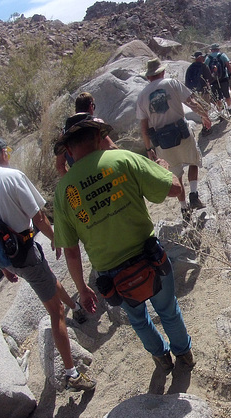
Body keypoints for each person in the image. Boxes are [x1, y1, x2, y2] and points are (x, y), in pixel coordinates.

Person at [53, 114, 195, 373]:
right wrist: (162, 169)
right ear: (98, 137)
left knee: (138, 319)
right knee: (168, 309)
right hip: (149, 257)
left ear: (70, 149)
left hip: (112, 275)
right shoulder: (123, 159)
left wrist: (82, 288)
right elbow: (174, 189)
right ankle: (184, 354)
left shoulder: (64, 191)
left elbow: (71, 252)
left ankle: (161, 359)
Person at [0, 138, 95, 391]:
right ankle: (72, 373)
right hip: (24, 252)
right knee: (55, 311)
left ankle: (76, 308)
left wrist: (2, 266)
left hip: (5, 256)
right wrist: (55, 238)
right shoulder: (11, 176)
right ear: (4, 152)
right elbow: (37, 215)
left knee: (46, 277)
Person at [137, 57, 213, 220]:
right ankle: (194, 195)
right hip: (182, 132)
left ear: (148, 77)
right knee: (193, 161)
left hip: (162, 142)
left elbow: (144, 128)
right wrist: (204, 116)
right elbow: (192, 102)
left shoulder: (142, 96)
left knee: (175, 175)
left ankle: (184, 209)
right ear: (162, 72)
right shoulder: (172, 83)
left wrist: (148, 149)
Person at [55, 92, 118, 176]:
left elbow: (60, 166)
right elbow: (111, 147)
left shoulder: (65, 132)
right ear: (91, 106)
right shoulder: (95, 124)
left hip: (80, 179)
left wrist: (73, 181)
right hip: (100, 173)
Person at [204, 43, 231, 117]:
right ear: (218, 49)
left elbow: (206, 70)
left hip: (213, 81)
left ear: (211, 50)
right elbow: (229, 66)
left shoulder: (208, 58)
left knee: (217, 98)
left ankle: (221, 113)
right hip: (224, 78)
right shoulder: (223, 56)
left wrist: (207, 81)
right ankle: (229, 108)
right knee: (226, 95)